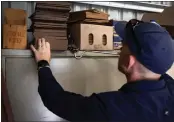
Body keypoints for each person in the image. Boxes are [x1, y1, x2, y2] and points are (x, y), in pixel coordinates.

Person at [30, 19, 174, 122]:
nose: (119, 49)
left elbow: (57, 100)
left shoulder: (112, 108)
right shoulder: (170, 88)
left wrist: (43, 63)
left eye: (123, 45)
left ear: (129, 62)